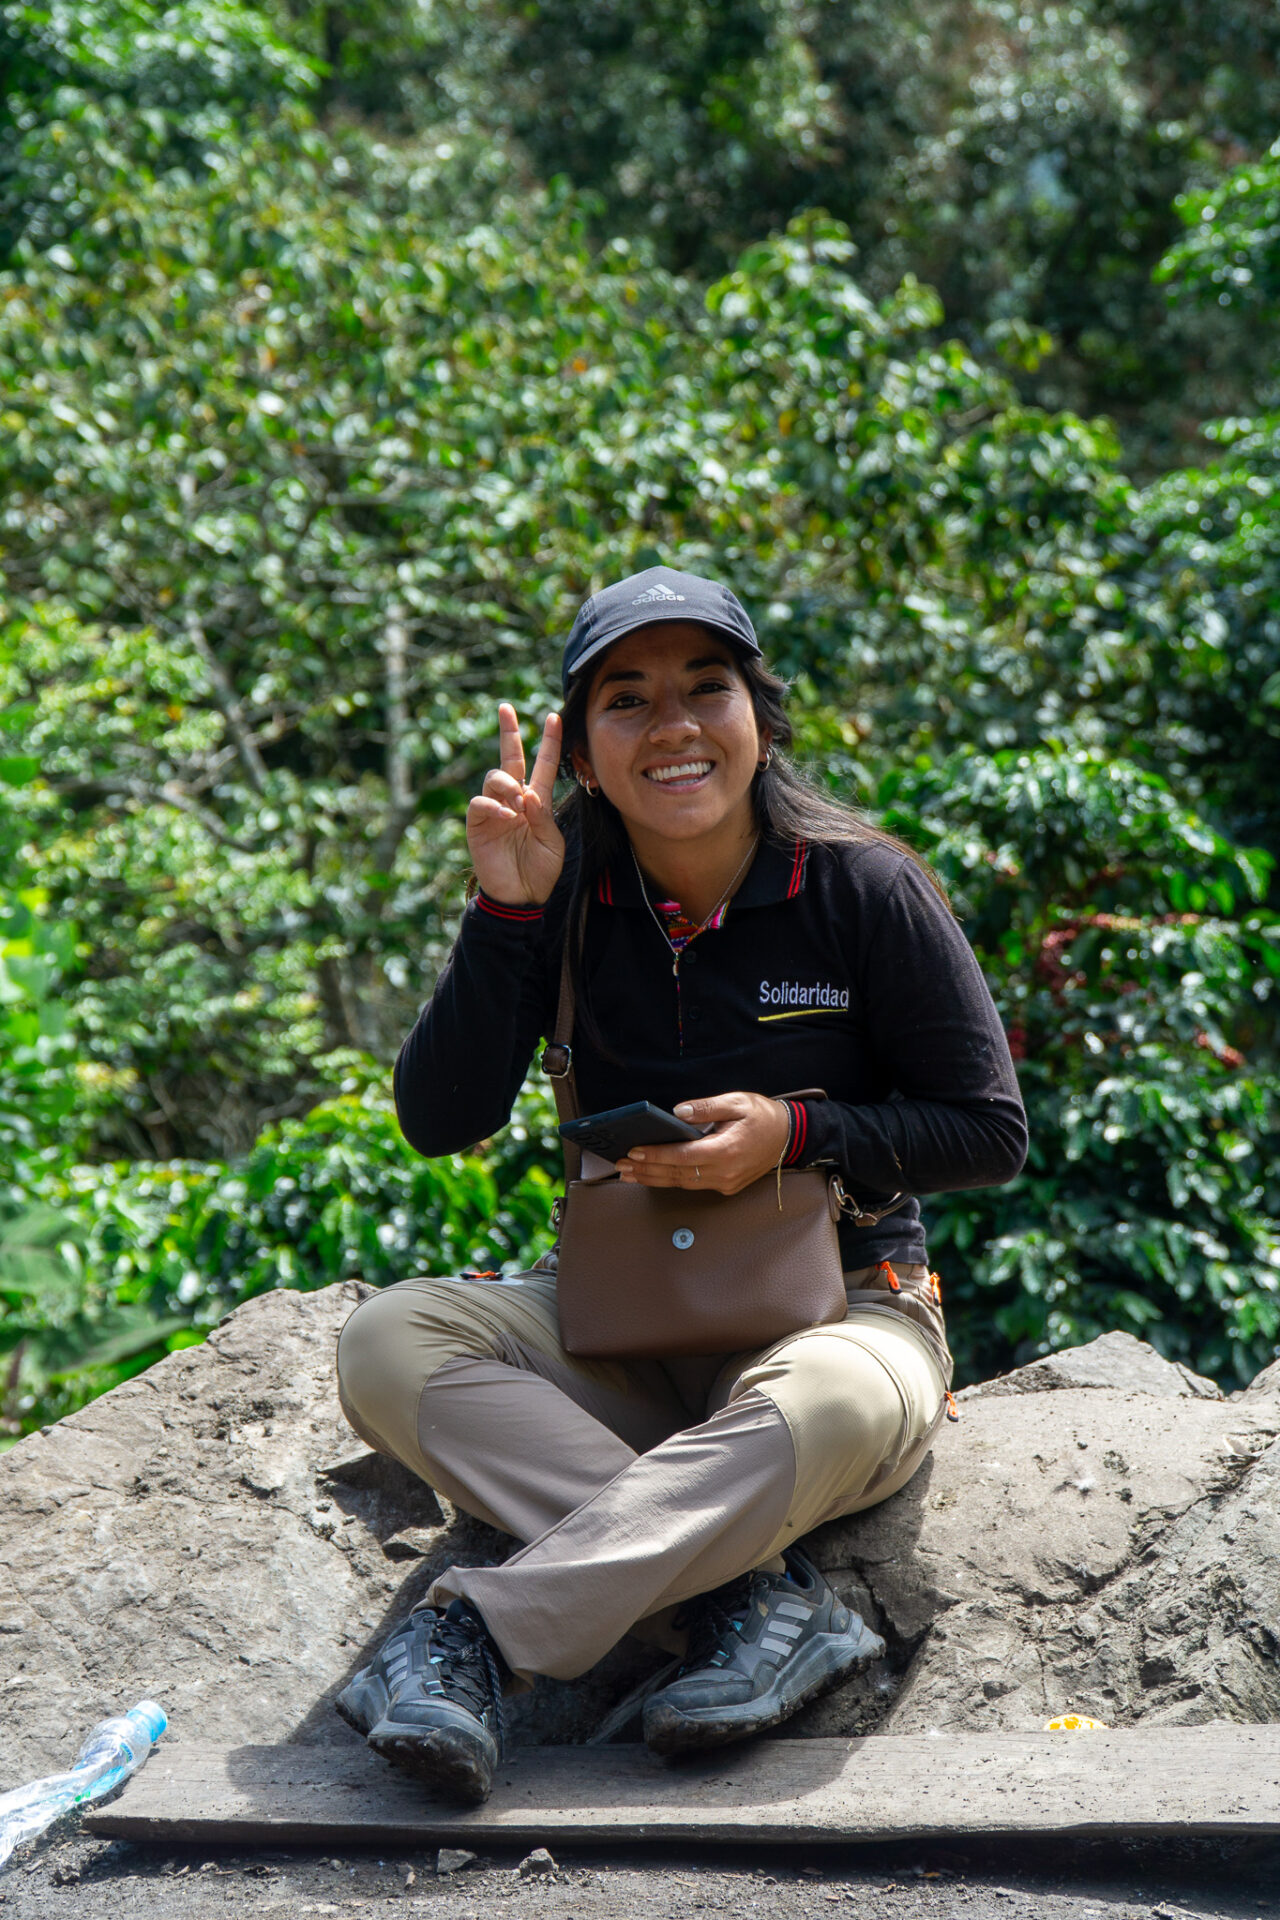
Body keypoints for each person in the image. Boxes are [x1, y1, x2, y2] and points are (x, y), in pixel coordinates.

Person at [334, 565, 1027, 1803]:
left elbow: (985, 1130)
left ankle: (478, 1634)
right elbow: (440, 1121)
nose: (674, 726)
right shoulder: (565, 892)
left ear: (758, 718)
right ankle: (752, 1599)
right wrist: (502, 912)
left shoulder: (864, 887)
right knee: (388, 1342)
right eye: (627, 699)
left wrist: (795, 1130)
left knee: (830, 1408)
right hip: (615, 1326)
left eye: (707, 687)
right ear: (584, 752)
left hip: (840, 1316)